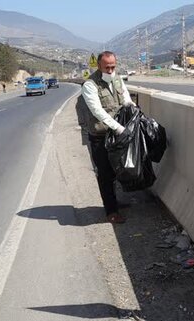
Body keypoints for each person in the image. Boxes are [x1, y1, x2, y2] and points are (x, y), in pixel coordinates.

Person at [81, 51, 135, 224]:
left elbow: (125, 99)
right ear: (99, 66)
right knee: (104, 174)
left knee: (116, 171)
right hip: (100, 136)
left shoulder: (117, 79)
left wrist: (133, 108)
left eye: (113, 67)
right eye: (107, 67)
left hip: (117, 135)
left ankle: (114, 202)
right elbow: (98, 111)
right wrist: (119, 128)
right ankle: (111, 211)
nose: (110, 70)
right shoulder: (90, 85)